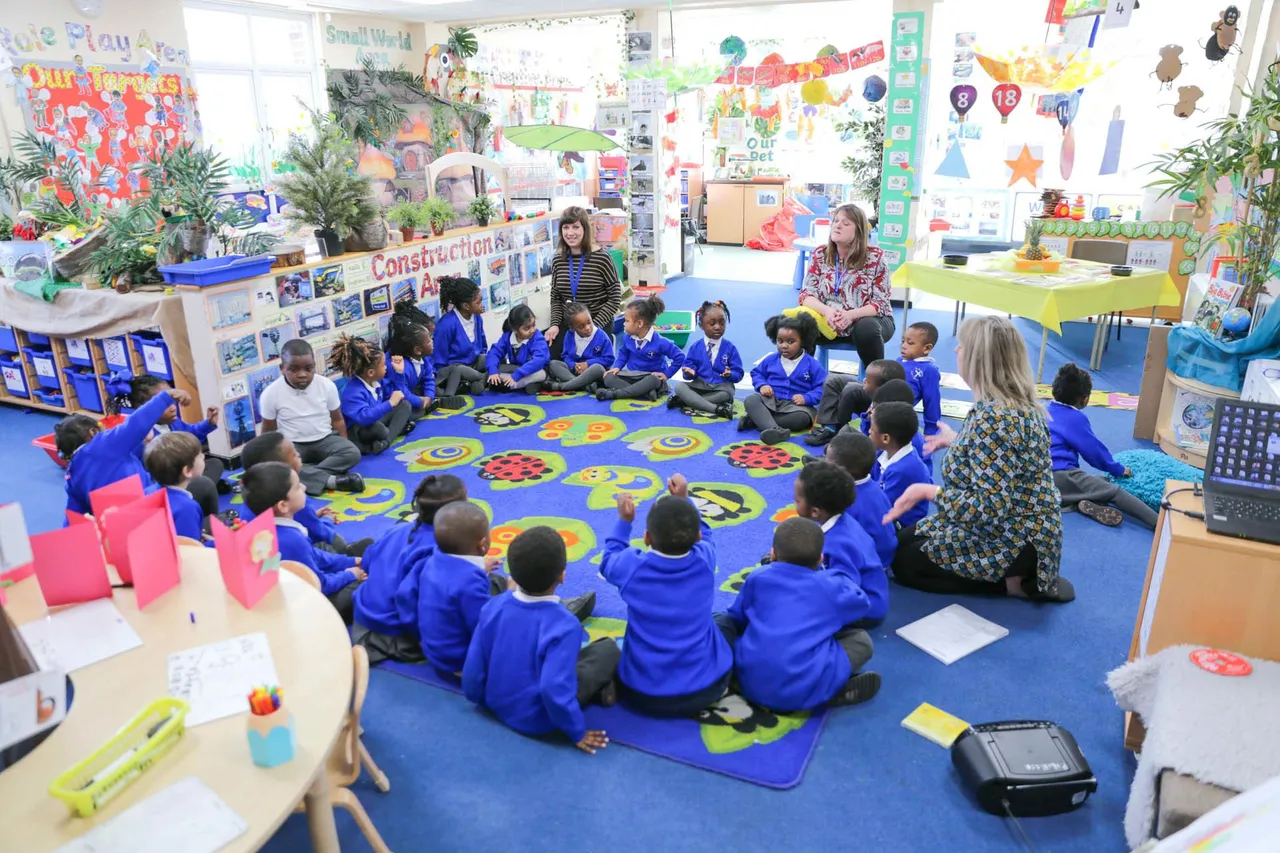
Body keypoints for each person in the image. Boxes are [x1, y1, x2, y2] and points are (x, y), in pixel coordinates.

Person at [885, 316, 1071, 603]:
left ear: (979, 359)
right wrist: (957, 440)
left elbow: (989, 507)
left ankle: (1014, 583)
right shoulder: (1008, 404)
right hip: (1022, 528)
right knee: (900, 543)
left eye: (962, 346)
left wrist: (928, 492)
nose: (956, 350)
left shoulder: (995, 418)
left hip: (1014, 537)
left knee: (904, 564)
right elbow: (1002, 457)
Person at [462, 526, 620, 754]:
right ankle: (602, 689)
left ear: (512, 576)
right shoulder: (565, 626)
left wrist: (478, 698)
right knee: (607, 650)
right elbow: (553, 687)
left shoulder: (493, 606)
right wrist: (577, 731)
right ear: (562, 576)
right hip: (539, 720)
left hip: (494, 703)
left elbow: (474, 665)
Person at [601, 474, 733, 717]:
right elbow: (707, 535)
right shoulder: (705, 559)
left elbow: (609, 559)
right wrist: (685, 499)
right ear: (697, 537)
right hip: (707, 689)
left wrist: (624, 522)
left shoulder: (631, 566)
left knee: (603, 651)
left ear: (646, 538)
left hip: (641, 693)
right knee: (723, 622)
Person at [715, 517, 881, 711]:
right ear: (820, 558)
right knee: (860, 640)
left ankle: (721, 673)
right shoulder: (830, 586)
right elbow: (862, 604)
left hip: (749, 682)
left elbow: (737, 618)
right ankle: (828, 691)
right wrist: (832, 575)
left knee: (723, 621)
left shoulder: (757, 577)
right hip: (803, 688)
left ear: (772, 554)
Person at [415, 502, 597, 676]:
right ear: (483, 544)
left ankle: (533, 598)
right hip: (462, 662)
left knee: (495, 580)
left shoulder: (432, 561)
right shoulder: (469, 583)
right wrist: (509, 596)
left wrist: (480, 568)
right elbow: (490, 627)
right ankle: (553, 609)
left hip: (436, 649)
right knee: (519, 603)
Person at [352, 475, 467, 664]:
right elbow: (408, 598)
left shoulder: (398, 529)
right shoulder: (440, 550)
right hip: (388, 634)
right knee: (479, 589)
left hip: (362, 617)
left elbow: (367, 562)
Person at [242, 461, 365, 621]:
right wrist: (350, 574)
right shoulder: (292, 539)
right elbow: (320, 585)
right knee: (366, 584)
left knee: (327, 551)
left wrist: (350, 561)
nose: (305, 488)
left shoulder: (262, 525)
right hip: (302, 608)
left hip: (286, 586)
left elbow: (315, 555)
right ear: (283, 505)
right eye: (298, 487)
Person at [1048, 363, 1157, 529]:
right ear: (1084, 399)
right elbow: (1094, 452)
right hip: (1061, 477)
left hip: (1039, 478)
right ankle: (1159, 523)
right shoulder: (1075, 418)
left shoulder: (1043, 409)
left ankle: (1078, 501)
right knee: (1114, 491)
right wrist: (1118, 469)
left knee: (1098, 482)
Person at [57, 385, 190, 519]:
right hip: (147, 512)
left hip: (116, 524)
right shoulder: (102, 444)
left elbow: (74, 517)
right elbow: (136, 423)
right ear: (93, 432)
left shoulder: (72, 474)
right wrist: (166, 397)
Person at [104, 373, 225, 513]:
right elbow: (141, 473)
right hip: (165, 485)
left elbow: (190, 435)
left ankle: (201, 490)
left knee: (215, 464)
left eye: (172, 401)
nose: (173, 407)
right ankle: (200, 493)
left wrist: (208, 423)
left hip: (182, 474)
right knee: (204, 484)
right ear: (147, 409)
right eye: (165, 404)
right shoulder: (142, 437)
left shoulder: (173, 422)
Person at [797, 203, 895, 372]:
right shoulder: (820, 254)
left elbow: (880, 303)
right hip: (828, 320)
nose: (838, 225)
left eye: (846, 223)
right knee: (798, 323)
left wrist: (850, 315)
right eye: (836, 221)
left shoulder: (875, 257)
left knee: (867, 328)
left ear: (859, 230)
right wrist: (827, 311)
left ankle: (877, 382)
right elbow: (806, 295)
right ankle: (802, 379)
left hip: (869, 320)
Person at [259, 339, 364, 495]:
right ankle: (332, 481)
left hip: (325, 439)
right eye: (294, 369)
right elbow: (268, 431)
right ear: (282, 368)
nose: (302, 374)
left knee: (352, 453)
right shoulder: (271, 393)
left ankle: (305, 475)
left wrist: (344, 442)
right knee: (277, 463)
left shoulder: (326, 385)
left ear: (315, 366)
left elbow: (337, 420)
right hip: (292, 445)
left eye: (308, 369)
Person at [239, 432, 370, 557]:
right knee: (326, 546)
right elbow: (319, 532)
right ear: (279, 468)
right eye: (294, 454)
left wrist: (312, 516)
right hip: (288, 558)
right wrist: (328, 522)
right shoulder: (292, 498)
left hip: (258, 555)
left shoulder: (251, 498)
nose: (299, 454)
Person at [793, 461, 888, 623]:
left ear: (815, 511)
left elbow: (845, 592)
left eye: (797, 501)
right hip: (862, 592)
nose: (794, 504)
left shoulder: (838, 544)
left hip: (867, 608)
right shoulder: (842, 520)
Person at [544, 206, 622, 360]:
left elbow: (615, 298)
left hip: (597, 321)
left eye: (575, 227)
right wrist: (554, 324)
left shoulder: (602, 258)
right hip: (570, 324)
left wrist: (593, 327)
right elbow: (556, 298)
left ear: (585, 229)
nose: (570, 233)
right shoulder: (558, 260)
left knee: (589, 363)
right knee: (550, 357)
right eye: (565, 227)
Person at [741, 314, 827, 446]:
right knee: (751, 400)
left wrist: (807, 398)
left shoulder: (812, 364)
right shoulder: (771, 359)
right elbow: (757, 373)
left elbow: (823, 387)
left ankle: (756, 421)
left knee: (802, 419)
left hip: (796, 407)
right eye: (780, 341)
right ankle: (775, 429)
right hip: (771, 401)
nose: (784, 346)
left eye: (791, 342)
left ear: (803, 341)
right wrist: (762, 385)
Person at [329, 334, 415, 455]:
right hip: (360, 430)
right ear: (370, 372)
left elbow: (399, 394)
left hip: (375, 421)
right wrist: (390, 403)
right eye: (383, 365)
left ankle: (384, 442)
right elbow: (364, 418)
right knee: (380, 430)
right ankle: (387, 436)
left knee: (405, 405)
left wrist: (399, 373)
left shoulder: (377, 382)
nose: (386, 367)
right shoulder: (352, 392)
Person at [826, 429, 896, 570]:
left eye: (828, 462)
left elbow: (840, 538)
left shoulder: (847, 501)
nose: (824, 466)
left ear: (841, 471)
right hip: (886, 552)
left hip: (870, 563)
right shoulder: (875, 487)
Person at [599, 294, 685, 402]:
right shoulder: (628, 337)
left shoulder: (661, 342)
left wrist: (666, 375)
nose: (624, 324)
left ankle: (616, 394)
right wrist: (617, 367)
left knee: (653, 380)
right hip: (632, 376)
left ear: (639, 323)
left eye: (627, 321)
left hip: (650, 378)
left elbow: (680, 357)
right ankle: (645, 393)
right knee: (608, 377)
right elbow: (623, 353)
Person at [805, 359, 906, 447]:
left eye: (868, 381)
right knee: (833, 380)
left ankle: (839, 432)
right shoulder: (878, 388)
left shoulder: (888, 412)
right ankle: (830, 429)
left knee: (851, 390)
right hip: (873, 398)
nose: (864, 380)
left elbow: (871, 435)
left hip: (871, 425)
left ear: (880, 389)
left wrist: (867, 418)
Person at [670, 300, 742, 419]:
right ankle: (717, 409)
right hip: (699, 386)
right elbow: (687, 371)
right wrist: (689, 373)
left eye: (722, 323)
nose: (717, 327)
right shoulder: (695, 347)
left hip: (721, 387)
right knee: (679, 387)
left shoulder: (730, 348)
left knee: (726, 394)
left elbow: (738, 374)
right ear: (701, 325)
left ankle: (685, 401)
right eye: (712, 324)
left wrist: (730, 374)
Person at [870, 401, 933, 527]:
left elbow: (880, 507)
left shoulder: (902, 470)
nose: (868, 431)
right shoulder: (884, 453)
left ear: (885, 438)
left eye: (872, 429)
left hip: (900, 525)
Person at [387, 302, 456, 413]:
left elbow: (429, 377)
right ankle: (435, 403)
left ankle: (438, 399)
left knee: (453, 371)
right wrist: (420, 402)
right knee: (408, 408)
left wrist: (429, 396)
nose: (433, 341)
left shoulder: (423, 358)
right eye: (429, 340)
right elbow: (401, 391)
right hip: (399, 398)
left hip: (415, 390)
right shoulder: (399, 364)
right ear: (417, 349)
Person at [142, 431, 206, 541]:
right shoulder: (187, 508)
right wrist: (213, 542)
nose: (203, 456)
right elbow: (191, 548)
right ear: (187, 471)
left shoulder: (147, 491)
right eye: (200, 456)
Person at [433, 276, 488, 398]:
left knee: (491, 358)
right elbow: (439, 360)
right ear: (466, 306)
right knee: (461, 369)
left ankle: (477, 381)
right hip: (456, 369)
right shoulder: (446, 325)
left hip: (474, 363)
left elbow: (483, 346)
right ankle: (482, 379)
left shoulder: (477, 317)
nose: (482, 305)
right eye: (478, 303)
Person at [545, 300, 613, 393]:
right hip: (576, 371)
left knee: (597, 368)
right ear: (572, 327)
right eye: (581, 327)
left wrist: (587, 364)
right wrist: (574, 366)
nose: (587, 328)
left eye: (589, 322)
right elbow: (566, 355)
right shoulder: (570, 334)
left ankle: (563, 386)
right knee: (553, 364)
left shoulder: (602, 336)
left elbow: (609, 359)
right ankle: (585, 386)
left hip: (592, 372)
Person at [486, 304, 550, 394]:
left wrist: (516, 375)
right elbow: (494, 352)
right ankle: (528, 385)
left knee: (540, 374)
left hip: (537, 369)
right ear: (515, 330)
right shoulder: (507, 337)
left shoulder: (537, 337)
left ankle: (508, 385)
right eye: (527, 328)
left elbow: (539, 360)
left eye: (534, 325)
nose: (532, 330)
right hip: (518, 368)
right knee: (494, 367)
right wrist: (493, 371)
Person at [900, 321, 941, 437]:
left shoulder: (929, 370)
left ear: (926, 348)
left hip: (897, 416)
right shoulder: (899, 360)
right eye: (903, 341)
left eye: (910, 343)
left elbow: (932, 401)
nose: (903, 346)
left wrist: (930, 431)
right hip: (878, 406)